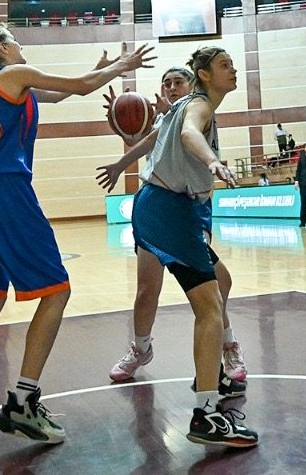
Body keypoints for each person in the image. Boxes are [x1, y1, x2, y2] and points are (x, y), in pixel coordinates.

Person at [0, 27, 151, 441]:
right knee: (56, 291)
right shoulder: (12, 75)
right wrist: (124, 66)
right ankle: (23, 403)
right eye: (15, 41)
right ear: (2, 48)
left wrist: (98, 71)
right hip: (5, 191)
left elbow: (62, 93)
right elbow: (81, 88)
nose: (21, 47)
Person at [130, 46, 258, 448]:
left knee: (216, 291)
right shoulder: (198, 105)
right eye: (224, 66)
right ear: (203, 74)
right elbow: (188, 134)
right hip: (170, 209)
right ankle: (205, 415)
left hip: (164, 207)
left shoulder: (187, 103)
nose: (232, 70)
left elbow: (164, 133)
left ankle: (211, 381)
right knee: (209, 306)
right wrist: (213, 161)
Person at [95, 68, 248, 388]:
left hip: (190, 212)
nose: (171, 87)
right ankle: (140, 348)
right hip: (157, 210)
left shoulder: (198, 111)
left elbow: (187, 134)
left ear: (193, 86)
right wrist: (121, 155)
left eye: (178, 81)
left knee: (218, 283)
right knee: (147, 289)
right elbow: (145, 140)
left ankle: (227, 345)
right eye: (166, 84)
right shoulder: (167, 120)